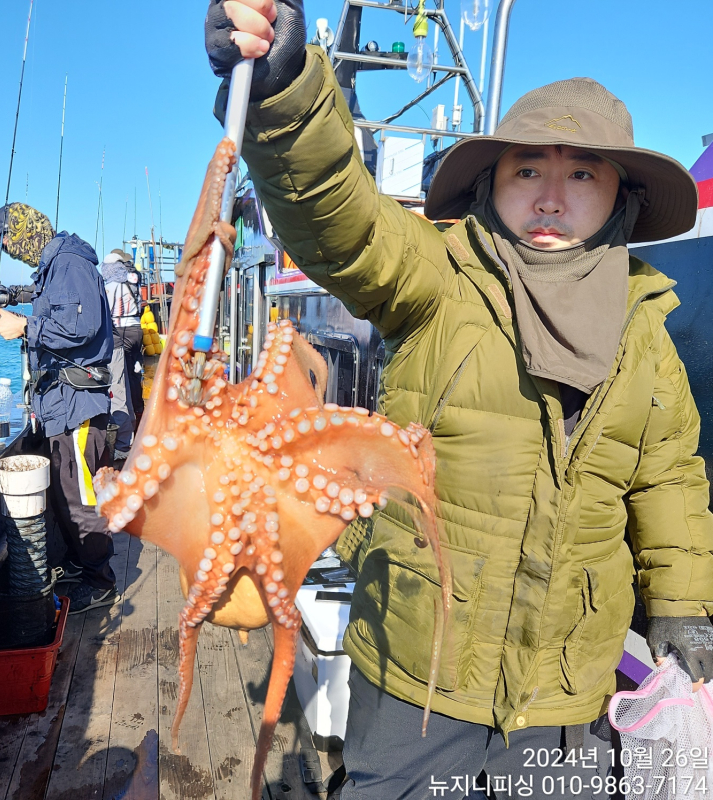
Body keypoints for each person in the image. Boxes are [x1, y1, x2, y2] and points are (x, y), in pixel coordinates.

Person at [205, 2, 713, 798]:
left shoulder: (646, 331)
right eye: (526, 170)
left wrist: (683, 603)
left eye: (582, 172)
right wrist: (286, 91)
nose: (551, 196)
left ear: (620, 197)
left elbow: (669, 476)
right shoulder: (437, 277)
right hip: (420, 669)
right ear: (490, 184)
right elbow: (346, 220)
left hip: (566, 691)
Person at [0, 202, 120, 614]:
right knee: (64, 490)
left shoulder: (69, 262)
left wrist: (23, 325)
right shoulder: (55, 267)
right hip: (60, 404)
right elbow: (54, 303)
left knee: (79, 498)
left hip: (77, 403)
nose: (7, 248)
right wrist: (15, 296)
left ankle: (101, 582)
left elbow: (82, 325)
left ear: (24, 230)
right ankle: (82, 563)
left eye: (7, 238)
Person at [101, 249, 142, 460]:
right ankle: (139, 423)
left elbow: (105, 313)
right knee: (134, 379)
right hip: (138, 331)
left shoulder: (110, 285)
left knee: (119, 385)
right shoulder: (134, 280)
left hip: (121, 334)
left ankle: (124, 443)